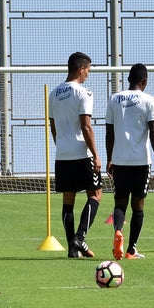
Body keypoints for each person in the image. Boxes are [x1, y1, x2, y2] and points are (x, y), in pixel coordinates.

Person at [105, 63, 154, 260]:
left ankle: (118, 231)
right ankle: (131, 249)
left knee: (120, 202)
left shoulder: (114, 99)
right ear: (144, 81)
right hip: (140, 162)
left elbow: (109, 131)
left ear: (129, 79)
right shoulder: (150, 101)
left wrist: (110, 157)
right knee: (138, 205)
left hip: (120, 160)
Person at [48, 52, 102, 258]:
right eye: (88, 70)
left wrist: (62, 145)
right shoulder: (83, 93)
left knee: (68, 200)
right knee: (96, 194)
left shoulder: (53, 94)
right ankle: (79, 238)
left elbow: (53, 127)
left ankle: (72, 249)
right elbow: (86, 126)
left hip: (62, 154)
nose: (88, 74)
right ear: (80, 68)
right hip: (82, 152)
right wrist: (96, 154)